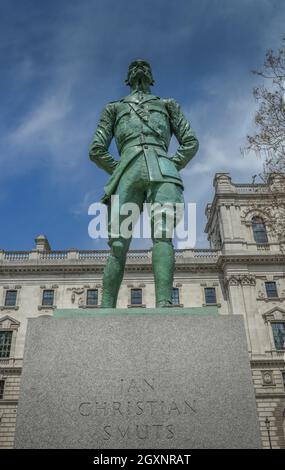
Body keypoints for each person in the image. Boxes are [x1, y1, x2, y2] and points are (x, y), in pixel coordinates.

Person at [89, 60, 199, 307]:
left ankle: (164, 302)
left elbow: (190, 141)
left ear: (152, 78)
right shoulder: (114, 108)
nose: (140, 68)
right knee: (118, 243)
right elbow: (96, 149)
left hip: (163, 170)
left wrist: (170, 163)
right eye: (133, 67)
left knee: (163, 235)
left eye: (146, 67)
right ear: (127, 78)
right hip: (127, 170)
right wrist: (121, 168)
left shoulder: (168, 106)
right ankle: (106, 306)